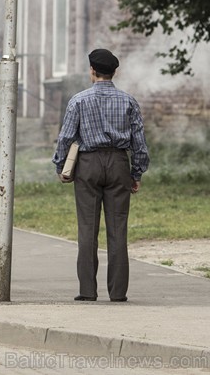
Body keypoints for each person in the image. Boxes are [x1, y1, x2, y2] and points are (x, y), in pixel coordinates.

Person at [52, 48, 149, 302]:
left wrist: (60, 166)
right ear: (114, 72)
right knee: (118, 230)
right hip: (118, 163)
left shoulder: (78, 101)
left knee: (87, 228)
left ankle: (87, 291)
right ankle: (118, 293)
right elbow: (139, 142)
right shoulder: (128, 101)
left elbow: (66, 137)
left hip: (87, 165)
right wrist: (136, 172)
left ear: (92, 71)